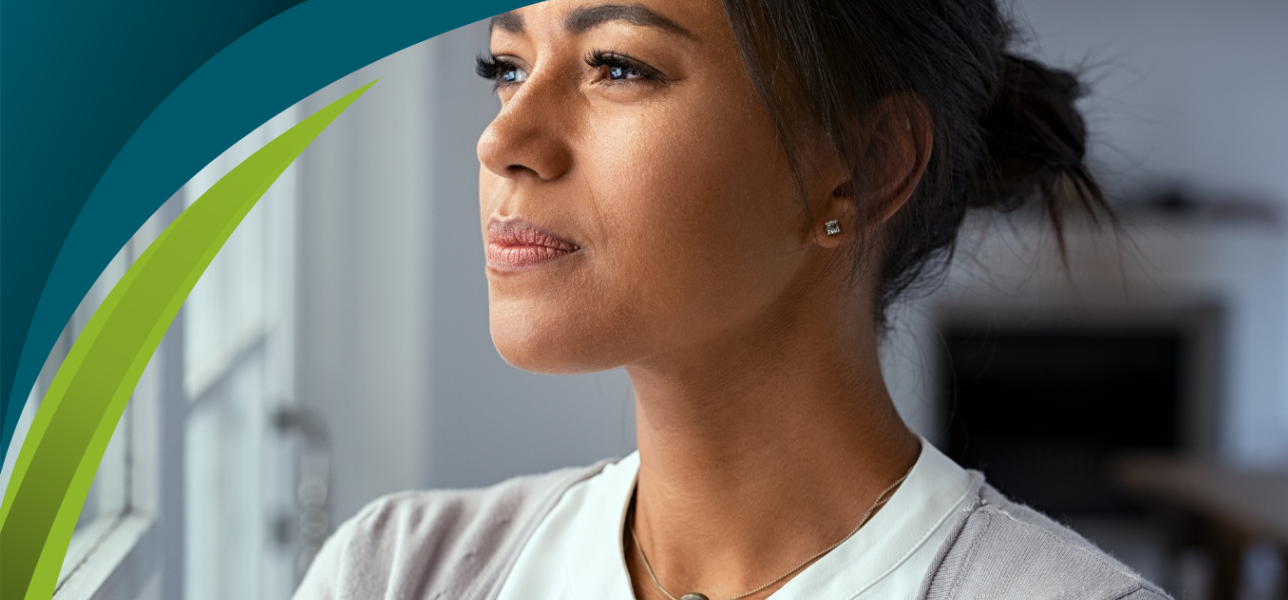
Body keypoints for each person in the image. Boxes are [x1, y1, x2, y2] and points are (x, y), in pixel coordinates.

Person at [292, 0, 1166, 598]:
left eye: (619, 67)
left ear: (862, 167)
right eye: (508, 66)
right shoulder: (399, 572)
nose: (503, 138)